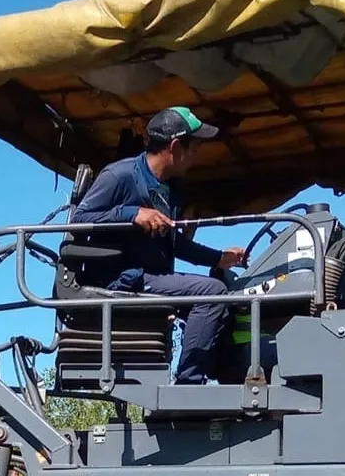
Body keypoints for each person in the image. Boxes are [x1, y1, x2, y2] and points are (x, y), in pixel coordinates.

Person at [69, 105, 251, 384]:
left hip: (153, 278)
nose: (196, 155)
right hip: (123, 278)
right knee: (211, 292)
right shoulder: (121, 176)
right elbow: (79, 219)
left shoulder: (172, 189)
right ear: (176, 146)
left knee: (226, 293)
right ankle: (188, 386)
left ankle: (230, 378)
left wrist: (219, 259)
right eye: (194, 148)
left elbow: (175, 243)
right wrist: (132, 214)